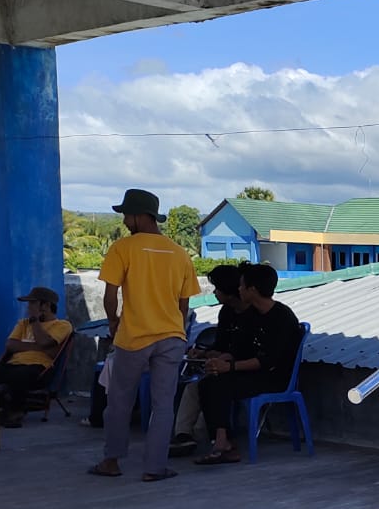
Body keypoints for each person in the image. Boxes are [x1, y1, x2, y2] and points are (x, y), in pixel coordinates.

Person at [89, 189, 201, 482]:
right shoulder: (180, 254)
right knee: (163, 405)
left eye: (127, 215)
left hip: (134, 337)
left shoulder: (122, 249)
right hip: (172, 337)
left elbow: (110, 295)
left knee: (119, 401)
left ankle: (112, 461)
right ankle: (155, 467)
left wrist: (113, 323)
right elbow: (184, 303)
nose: (125, 220)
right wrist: (176, 329)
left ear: (140, 216)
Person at [192, 262, 302, 465]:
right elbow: (241, 351)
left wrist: (231, 367)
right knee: (209, 382)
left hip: (274, 377)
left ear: (253, 290)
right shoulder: (251, 316)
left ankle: (223, 443)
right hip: (253, 373)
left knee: (220, 384)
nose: (239, 289)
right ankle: (222, 441)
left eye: (242, 286)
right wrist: (223, 360)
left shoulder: (281, 317)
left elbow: (267, 360)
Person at [169, 263, 255, 458]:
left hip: (247, 371)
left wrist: (227, 361)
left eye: (217, 288)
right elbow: (222, 346)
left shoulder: (255, 316)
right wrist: (203, 353)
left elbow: (250, 353)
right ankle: (184, 435)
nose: (214, 293)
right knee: (194, 386)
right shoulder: (226, 312)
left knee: (211, 385)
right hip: (227, 366)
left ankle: (219, 439)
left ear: (231, 291)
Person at [0, 286, 72, 427]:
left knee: (18, 376)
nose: (29, 307)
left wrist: (35, 321)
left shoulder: (62, 325)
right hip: (13, 365)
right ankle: (1, 404)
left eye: (33, 303)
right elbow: (11, 345)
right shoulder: (23, 323)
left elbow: (44, 341)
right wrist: (41, 348)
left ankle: (14, 412)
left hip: (39, 369)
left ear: (46, 305)